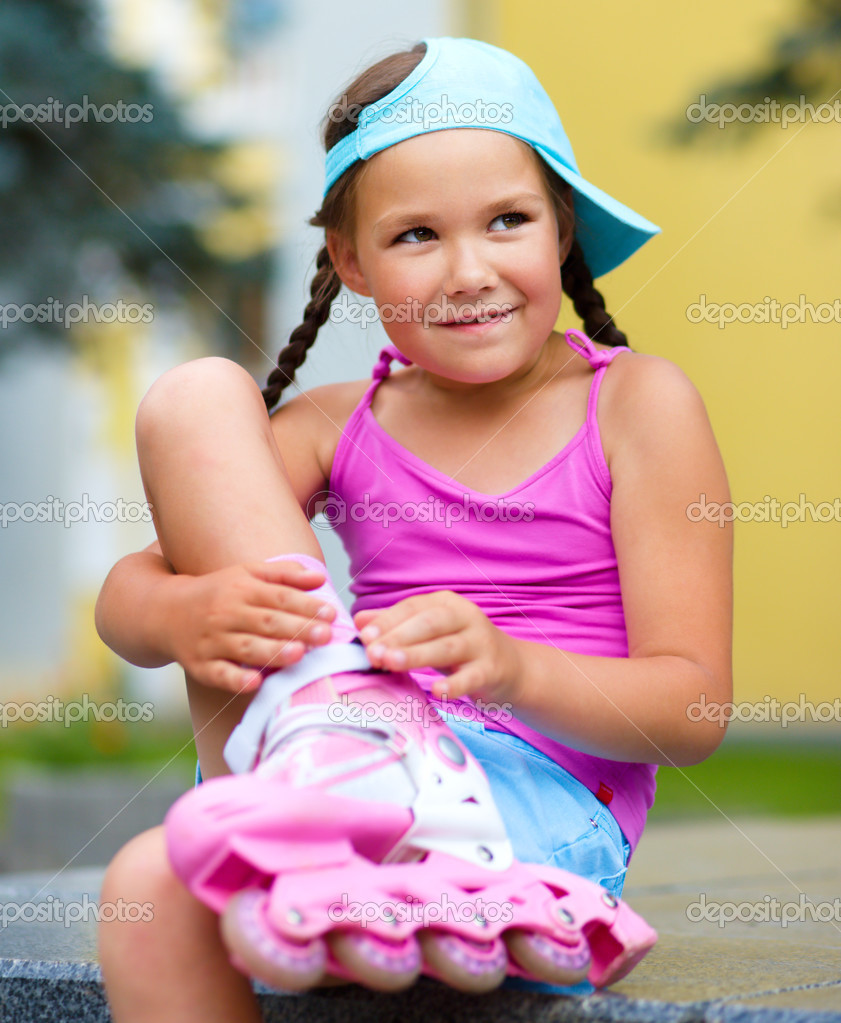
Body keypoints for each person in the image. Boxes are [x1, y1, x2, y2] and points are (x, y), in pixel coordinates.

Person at [95, 36, 732, 1022]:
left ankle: (405, 848)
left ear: (561, 228)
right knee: (145, 887)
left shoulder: (636, 406)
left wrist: (514, 669)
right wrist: (188, 614)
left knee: (179, 867)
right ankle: (344, 775)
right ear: (349, 260)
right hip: (328, 755)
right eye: (415, 236)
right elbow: (124, 601)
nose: (466, 270)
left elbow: (690, 711)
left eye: (507, 221)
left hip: (534, 804)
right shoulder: (330, 425)